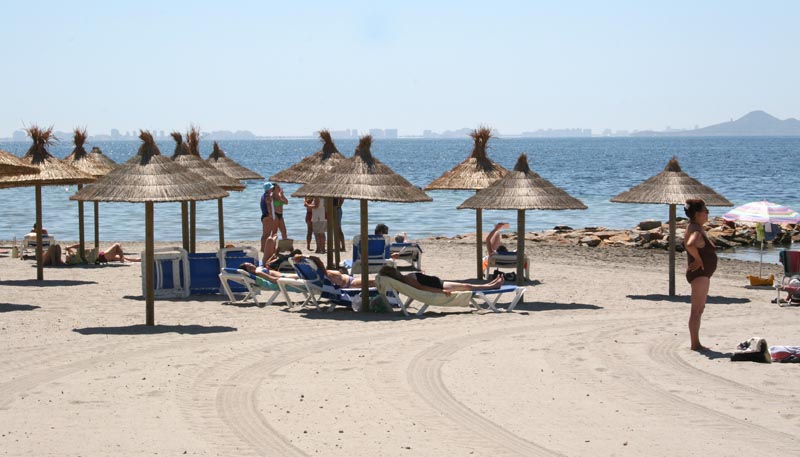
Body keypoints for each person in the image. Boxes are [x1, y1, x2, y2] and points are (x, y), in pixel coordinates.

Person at [684, 198, 717, 352]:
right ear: (698, 214)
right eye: (706, 211)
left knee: (699, 309)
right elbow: (690, 244)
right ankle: (695, 344)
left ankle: (696, 342)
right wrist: (698, 259)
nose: (708, 214)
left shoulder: (695, 227)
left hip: (702, 274)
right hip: (699, 274)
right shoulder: (696, 230)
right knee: (696, 310)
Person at [378, 265, 504, 296]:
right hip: (440, 286)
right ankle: (492, 286)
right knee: (467, 286)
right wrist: (441, 291)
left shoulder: (406, 279)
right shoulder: (408, 280)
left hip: (439, 283)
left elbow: (422, 284)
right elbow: (422, 288)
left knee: (467, 285)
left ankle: (490, 284)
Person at [65, 243, 140, 263]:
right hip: (102, 256)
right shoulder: (76, 256)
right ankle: (122, 258)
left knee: (127, 258)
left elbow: (79, 246)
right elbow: (80, 245)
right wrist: (69, 247)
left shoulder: (74, 257)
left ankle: (139, 259)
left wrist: (68, 249)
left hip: (101, 257)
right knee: (117, 245)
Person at [260, 182, 276, 264]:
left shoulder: (263, 195)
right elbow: (269, 207)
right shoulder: (267, 197)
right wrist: (271, 217)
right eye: (271, 188)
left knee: (265, 234)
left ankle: (263, 248)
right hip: (267, 216)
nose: (272, 189)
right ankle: (264, 248)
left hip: (264, 216)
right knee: (267, 234)